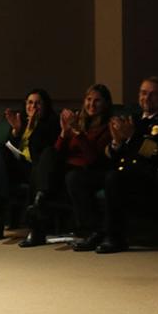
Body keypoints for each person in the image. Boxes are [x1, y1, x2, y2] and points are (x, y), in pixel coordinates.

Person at [88, 77, 158, 254]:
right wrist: (116, 142)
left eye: (153, 94)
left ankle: (114, 238)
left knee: (114, 178)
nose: (147, 97)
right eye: (143, 93)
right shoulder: (132, 119)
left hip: (149, 178)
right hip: (122, 172)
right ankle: (92, 231)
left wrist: (133, 137)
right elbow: (114, 155)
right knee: (78, 177)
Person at [21, 84, 113, 247]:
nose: (91, 104)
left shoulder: (109, 126)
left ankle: (39, 215)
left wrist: (78, 133)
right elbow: (58, 151)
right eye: (89, 100)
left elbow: (93, 158)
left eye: (97, 101)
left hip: (90, 169)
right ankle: (39, 211)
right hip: (68, 166)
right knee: (46, 157)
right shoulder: (79, 121)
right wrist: (64, 133)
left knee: (69, 177)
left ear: (105, 104)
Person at [0, 89, 60, 242]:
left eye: (38, 103)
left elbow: (43, 152)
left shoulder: (52, 123)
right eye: (30, 103)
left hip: (38, 169)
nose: (33, 107)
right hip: (20, 167)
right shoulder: (21, 122)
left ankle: (30, 218)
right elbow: (11, 148)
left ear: (45, 106)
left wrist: (33, 129)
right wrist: (16, 132)